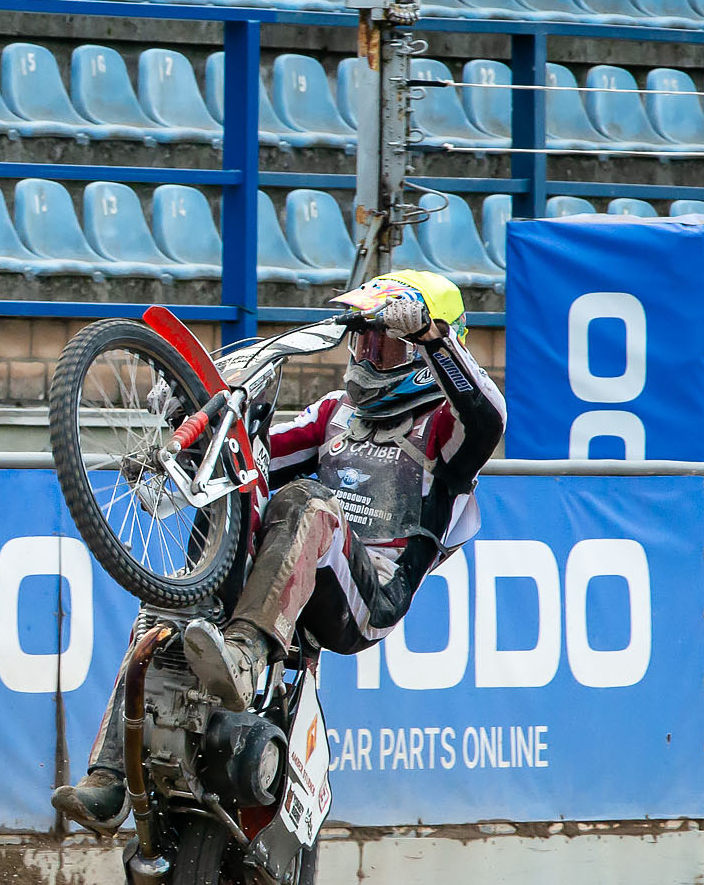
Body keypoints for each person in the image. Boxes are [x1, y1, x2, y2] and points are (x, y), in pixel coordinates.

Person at [52, 269, 508, 833]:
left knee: (307, 502)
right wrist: (193, 415)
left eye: (388, 343)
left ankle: (243, 655)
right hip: (295, 573)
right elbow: (255, 458)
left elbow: (489, 418)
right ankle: (110, 777)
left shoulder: (445, 428)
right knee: (210, 536)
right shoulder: (335, 414)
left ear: (423, 348)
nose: (370, 355)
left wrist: (433, 337)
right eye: (364, 340)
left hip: (369, 595)